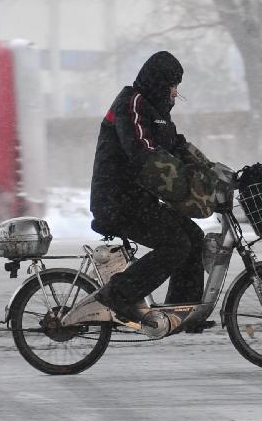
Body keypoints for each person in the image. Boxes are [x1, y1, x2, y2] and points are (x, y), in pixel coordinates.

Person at [89, 51, 216, 330]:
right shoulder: (131, 104)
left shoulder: (155, 113)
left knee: (193, 236)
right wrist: (183, 181)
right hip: (117, 202)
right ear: (159, 82)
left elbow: (177, 146)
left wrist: (213, 171)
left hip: (138, 201)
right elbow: (142, 151)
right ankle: (119, 294)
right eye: (173, 85)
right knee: (175, 244)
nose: (175, 92)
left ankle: (183, 313)